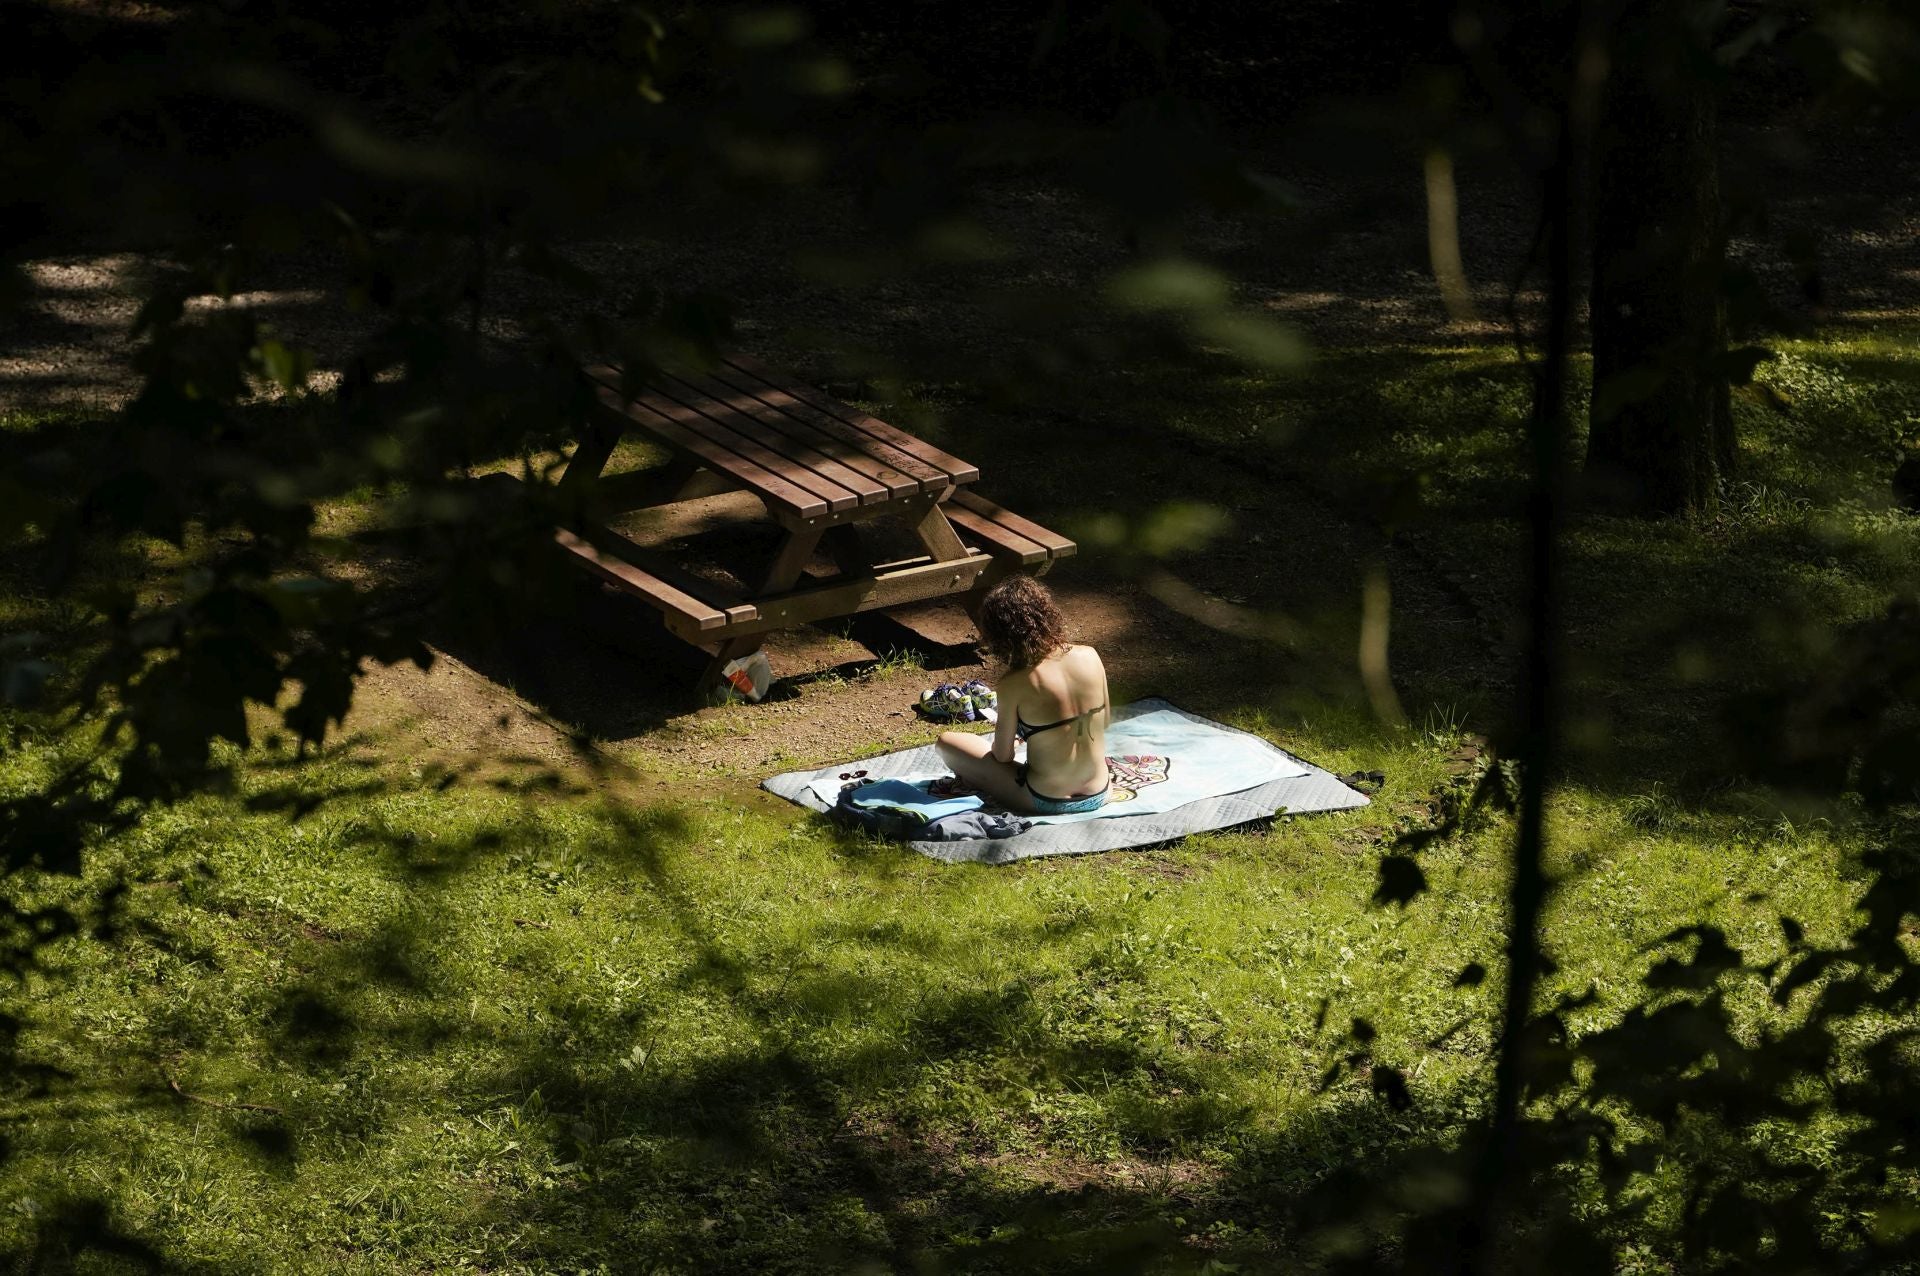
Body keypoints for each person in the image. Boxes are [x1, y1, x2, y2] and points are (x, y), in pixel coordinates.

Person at [936, 575, 1110, 815]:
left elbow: (1003, 756)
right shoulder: (1090, 655)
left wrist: (1024, 736)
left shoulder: (1013, 684)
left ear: (999, 636)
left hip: (1044, 799)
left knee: (948, 742)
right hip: (1100, 792)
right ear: (1047, 614)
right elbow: (1106, 721)